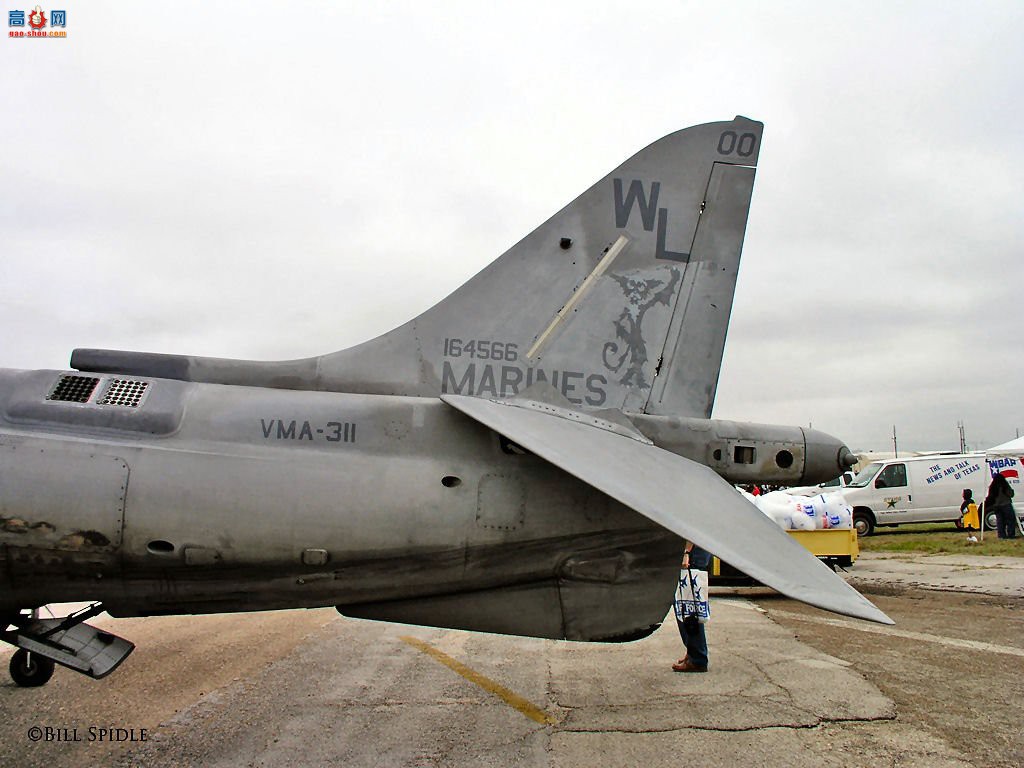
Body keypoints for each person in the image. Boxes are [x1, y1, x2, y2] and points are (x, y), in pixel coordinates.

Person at [673, 541, 711, 673]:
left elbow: (691, 527)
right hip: (698, 550)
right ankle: (693, 652)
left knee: (688, 608)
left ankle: (697, 658)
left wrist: (686, 552)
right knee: (690, 605)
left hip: (693, 553)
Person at [985, 472, 1017, 539]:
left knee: (1000, 522)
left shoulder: (992, 487)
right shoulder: (1004, 485)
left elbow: (990, 497)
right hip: (1006, 505)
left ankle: (1001, 536)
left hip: (996, 506)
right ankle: (1011, 535)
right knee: (1011, 520)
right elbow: (1011, 494)